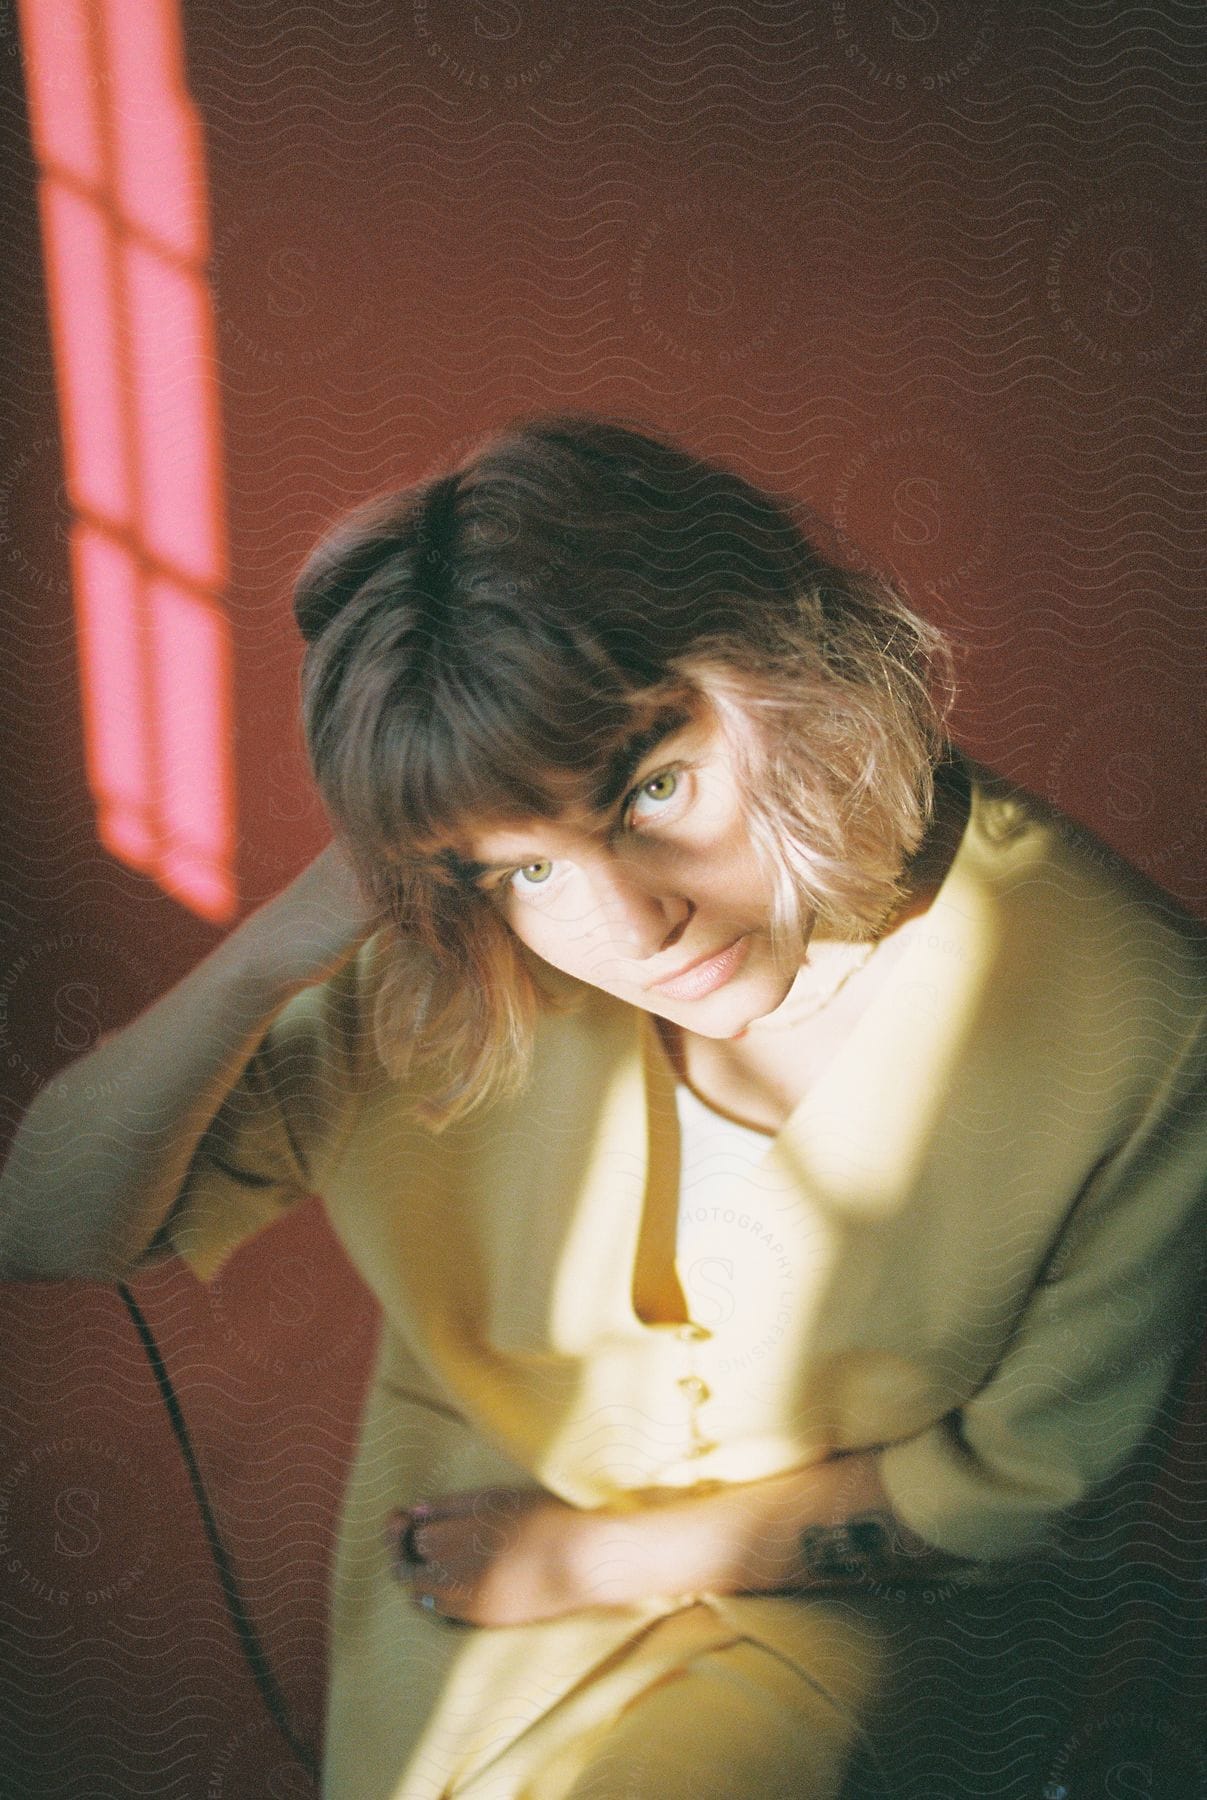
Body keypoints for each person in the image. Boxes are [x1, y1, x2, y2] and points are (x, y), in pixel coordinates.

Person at [1, 413, 1204, 1799]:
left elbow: (1016, 1495)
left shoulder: (1146, 1025)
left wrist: (589, 1557)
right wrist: (292, 937)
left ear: (790, 671)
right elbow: (51, 1228)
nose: (632, 924)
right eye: (521, 866)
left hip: (866, 1628)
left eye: (655, 787)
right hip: (462, 1626)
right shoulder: (447, 957)